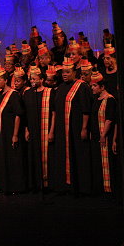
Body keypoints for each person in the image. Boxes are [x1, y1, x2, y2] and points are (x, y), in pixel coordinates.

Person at [50, 56, 93, 195]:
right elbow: (55, 111)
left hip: (76, 128)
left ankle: (80, 187)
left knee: (78, 156)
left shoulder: (81, 87)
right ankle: (64, 186)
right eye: (63, 72)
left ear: (74, 72)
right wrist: (52, 130)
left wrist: (84, 128)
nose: (65, 74)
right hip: (62, 129)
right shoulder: (60, 88)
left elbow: (86, 110)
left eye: (68, 72)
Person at [0, 65, 26, 194]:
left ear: (5, 80)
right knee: (2, 158)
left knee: (13, 159)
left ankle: (15, 187)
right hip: (1, 132)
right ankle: (4, 185)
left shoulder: (13, 95)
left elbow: (18, 115)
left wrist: (15, 135)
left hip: (10, 132)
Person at [23, 66, 55, 191]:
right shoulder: (28, 93)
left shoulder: (50, 92)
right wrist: (26, 129)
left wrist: (51, 131)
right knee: (33, 156)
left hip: (45, 129)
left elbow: (54, 113)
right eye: (31, 79)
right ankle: (35, 183)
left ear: (41, 79)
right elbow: (25, 113)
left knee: (46, 156)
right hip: (32, 130)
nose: (32, 81)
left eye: (35, 79)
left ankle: (47, 183)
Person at [89, 70, 117, 196]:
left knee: (107, 162)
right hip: (96, 135)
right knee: (97, 163)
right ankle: (101, 189)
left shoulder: (110, 99)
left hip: (105, 136)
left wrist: (103, 135)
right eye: (92, 86)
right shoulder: (96, 99)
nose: (92, 88)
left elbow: (109, 119)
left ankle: (110, 189)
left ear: (102, 86)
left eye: (94, 86)